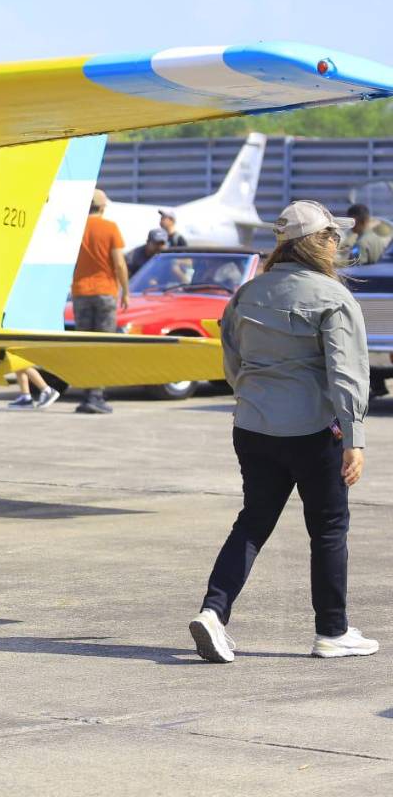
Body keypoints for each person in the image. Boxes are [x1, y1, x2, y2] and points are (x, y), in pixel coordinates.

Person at [189, 200, 377, 664]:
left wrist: (255, 402)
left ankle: (214, 612)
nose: (340, 243)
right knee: (329, 529)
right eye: (335, 236)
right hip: (315, 432)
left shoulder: (246, 294)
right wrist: (354, 438)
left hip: (253, 428)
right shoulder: (333, 298)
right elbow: (347, 374)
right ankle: (332, 631)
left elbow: (233, 365)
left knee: (253, 521)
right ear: (322, 243)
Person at [70, 189, 128, 414]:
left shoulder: (76, 228)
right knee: (103, 345)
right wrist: (126, 291)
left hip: (80, 292)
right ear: (103, 207)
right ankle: (97, 396)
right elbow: (120, 263)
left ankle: (87, 395)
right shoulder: (110, 228)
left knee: (85, 345)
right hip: (105, 292)